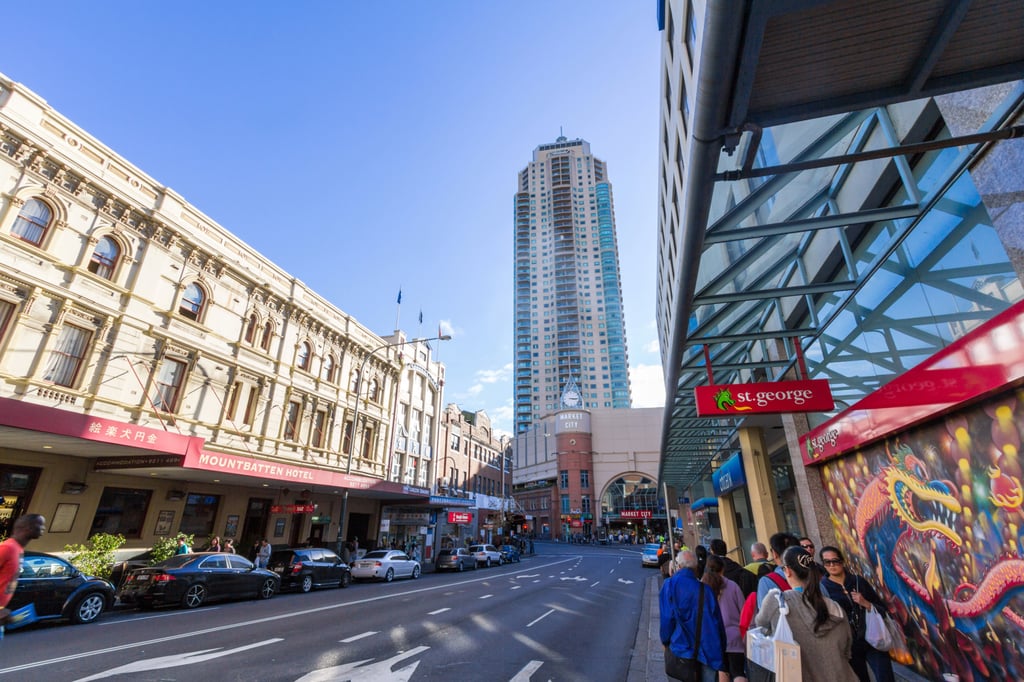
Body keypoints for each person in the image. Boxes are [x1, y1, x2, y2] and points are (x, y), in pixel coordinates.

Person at [754, 546, 857, 682]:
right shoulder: (835, 608)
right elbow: (847, 651)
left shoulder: (776, 602)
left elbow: (761, 629)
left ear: (787, 571)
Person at [819, 546, 896, 682]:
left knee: (885, 677)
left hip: (872, 636)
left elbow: (882, 609)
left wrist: (866, 603)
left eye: (835, 561)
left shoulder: (857, 581)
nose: (832, 565)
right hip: (848, 643)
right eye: (827, 562)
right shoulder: (823, 588)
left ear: (842, 561)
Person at [659, 550, 728, 682]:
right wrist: (721, 659)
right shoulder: (706, 590)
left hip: (679, 650)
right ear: (696, 568)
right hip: (707, 654)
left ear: (679, 566)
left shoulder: (669, 585)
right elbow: (718, 625)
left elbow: (667, 620)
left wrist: (665, 642)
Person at [703, 555, 747, 682]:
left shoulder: (702, 587)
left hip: (713, 638)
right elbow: (744, 612)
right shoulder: (733, 586)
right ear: (723, 569)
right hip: (735, 638)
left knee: (722, 673)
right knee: (738, 672)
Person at [0, 514, 46, 633]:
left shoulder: (18, 549)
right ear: (27, 527)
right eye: (40, 524)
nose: (43, 528)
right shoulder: (8, 548)